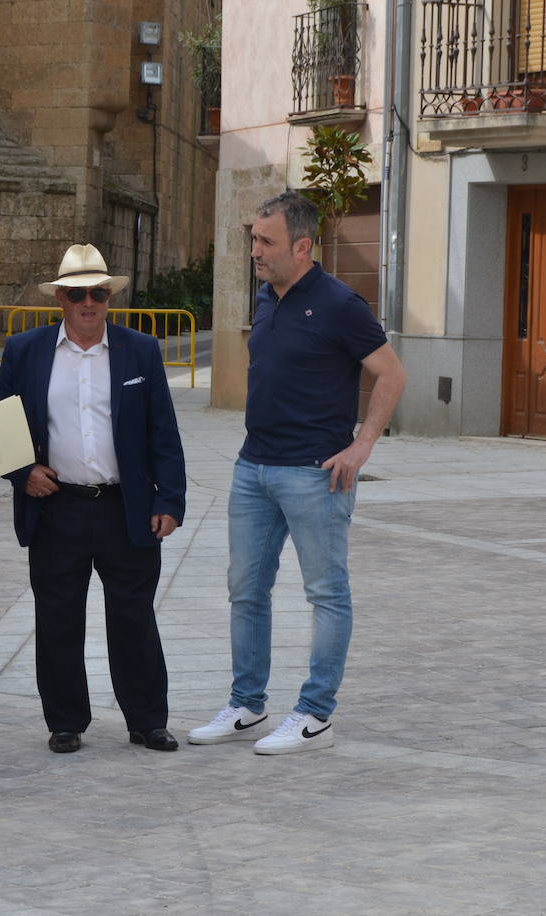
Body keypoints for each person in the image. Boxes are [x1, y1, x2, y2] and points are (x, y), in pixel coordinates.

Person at [187, 191, 405, 755]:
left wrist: (360, 447)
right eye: (254, 239)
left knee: (326, 594)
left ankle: (315, 715)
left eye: (266, 242)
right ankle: (247, 704)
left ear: (303, 246)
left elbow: (390, 375)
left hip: (315, 474)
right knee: (246, 590)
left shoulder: (339, 304)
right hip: (253, 467)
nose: (255, 250)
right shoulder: (266, 297)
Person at [0, 244, 186, 754]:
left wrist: (171, 500)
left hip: (128, 508)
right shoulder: (25, 351)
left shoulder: (140, 351)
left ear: (110, 298)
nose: (88, 303)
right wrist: (22, 473)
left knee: (134, 618)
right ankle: (65, 721)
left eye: (98, 293)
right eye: (77, 293)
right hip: (58, 506)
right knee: (57, 618)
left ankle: (147, 720)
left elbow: (163, 430)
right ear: (60, 298)